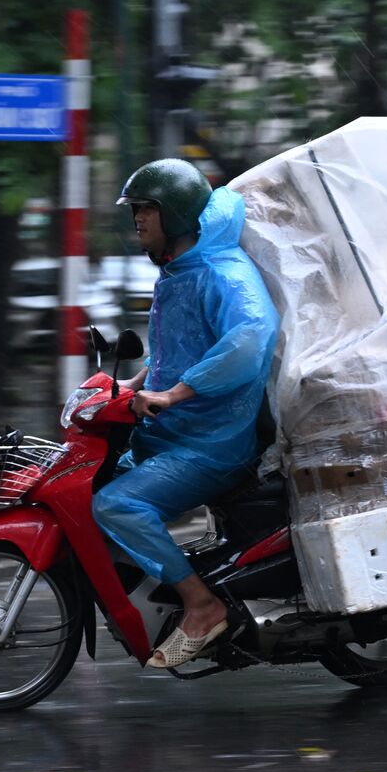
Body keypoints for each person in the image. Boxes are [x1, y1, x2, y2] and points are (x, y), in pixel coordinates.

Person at [94, 159, 279, 668]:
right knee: (90, 490)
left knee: (118, 506)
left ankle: (202, 605)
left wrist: (173, 395)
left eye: (145, 210)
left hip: (212, 443)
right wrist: (132, 383)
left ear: (174, 215)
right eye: (135, 210)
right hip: (173, 433)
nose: (137, 221)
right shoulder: (179, 270)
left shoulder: (221, 273)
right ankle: (163, 594)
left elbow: (249, 341)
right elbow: (179, 349)